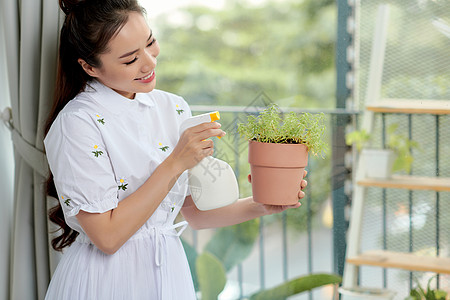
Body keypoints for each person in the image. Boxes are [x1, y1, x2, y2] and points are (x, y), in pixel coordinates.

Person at [43, 0, 307, 299]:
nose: (149, 62)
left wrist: (263, 204)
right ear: (89, 66)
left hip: (169, 271)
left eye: (150, 42)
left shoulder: (172, 107)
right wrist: (175, 162)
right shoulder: (77, 124)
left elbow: (194, 214)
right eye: (130, 59)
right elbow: (107, 236)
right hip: (109, 279)